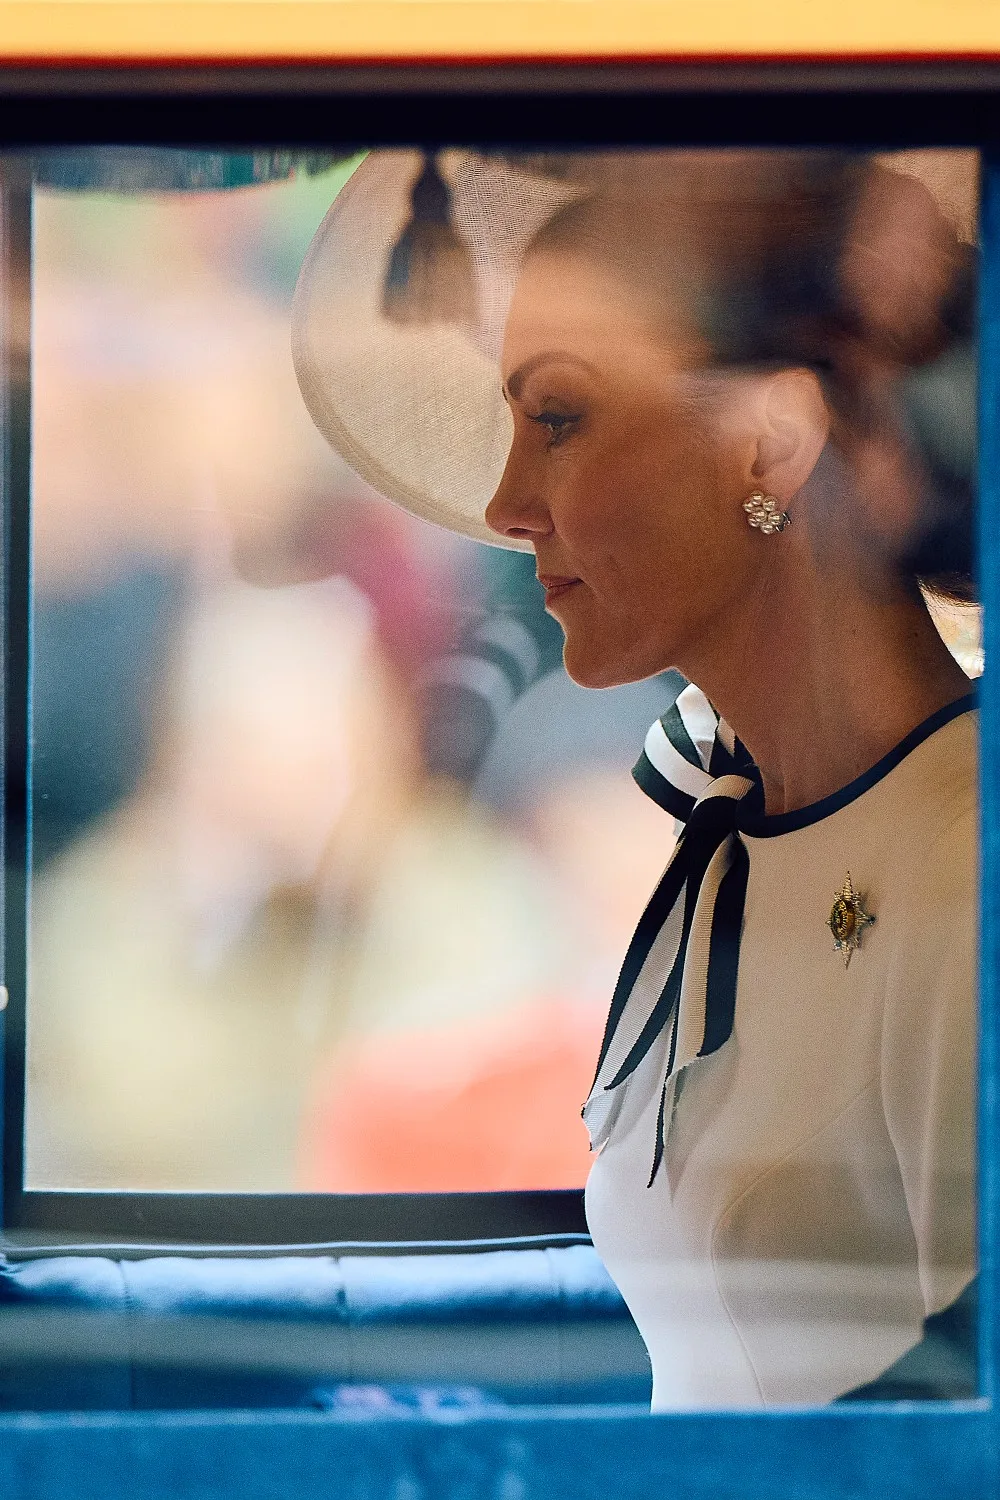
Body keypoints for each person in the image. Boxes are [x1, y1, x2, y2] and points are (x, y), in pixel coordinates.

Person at [291, 147, 979, 1407]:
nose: (505, 502)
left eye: (557, 415)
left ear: (771, 443)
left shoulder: (961, 867)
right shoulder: (718, 826)